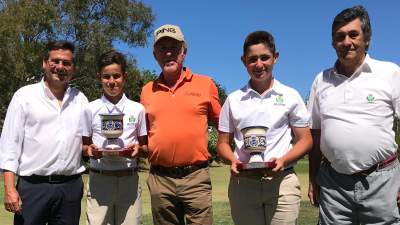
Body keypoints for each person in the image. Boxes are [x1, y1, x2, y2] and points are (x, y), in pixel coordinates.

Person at [307, 5, 400, 225]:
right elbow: (315, 134)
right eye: (340, 36)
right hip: (333, 185)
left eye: (353, 34)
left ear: (366, 38)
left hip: (383, 181)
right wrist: (313, 179)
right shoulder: (321, 80)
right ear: (333, 43)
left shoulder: (390, 73)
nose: (346, 41)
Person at [217, 31, 312, 225]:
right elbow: (222, 144)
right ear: (243, 61)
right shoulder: (233, 99)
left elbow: (306, 140)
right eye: (252, 59)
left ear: (275, 58)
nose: (259, 64)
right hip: (243, 184)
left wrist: (284, 160)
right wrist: (232, 160)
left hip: (282, 182)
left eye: (264, 58)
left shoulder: (290, 95)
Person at [140, 24, 221, 225]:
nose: (168, 53)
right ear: (155, 55)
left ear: (184, 51)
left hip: (196, 177)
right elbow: (142, 132)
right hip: (160, 179)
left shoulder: (205, 84)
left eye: (174, 47)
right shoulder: (147, 90)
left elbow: (223, 124)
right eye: (162, 48)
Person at [0, 41, 88, 225]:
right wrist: (9, 188)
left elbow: (89, 140)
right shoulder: (24, 97)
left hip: (70, 188)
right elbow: (9, 146)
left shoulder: (80, 100)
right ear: (44, 63)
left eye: (66, 63)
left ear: (73, 68)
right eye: (55, 61)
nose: (60, 67)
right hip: (33, 188)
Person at [81, 50, 147, 225]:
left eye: (116, 76)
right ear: (99, 77)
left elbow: (145, 147)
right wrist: (89, 150)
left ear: (124, 77)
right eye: (106, 77)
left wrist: (138, 150)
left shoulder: (137, 109)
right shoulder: (90, 109)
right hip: (99, 180)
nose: (111, 82)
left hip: (129, 180)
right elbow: (83, 146)